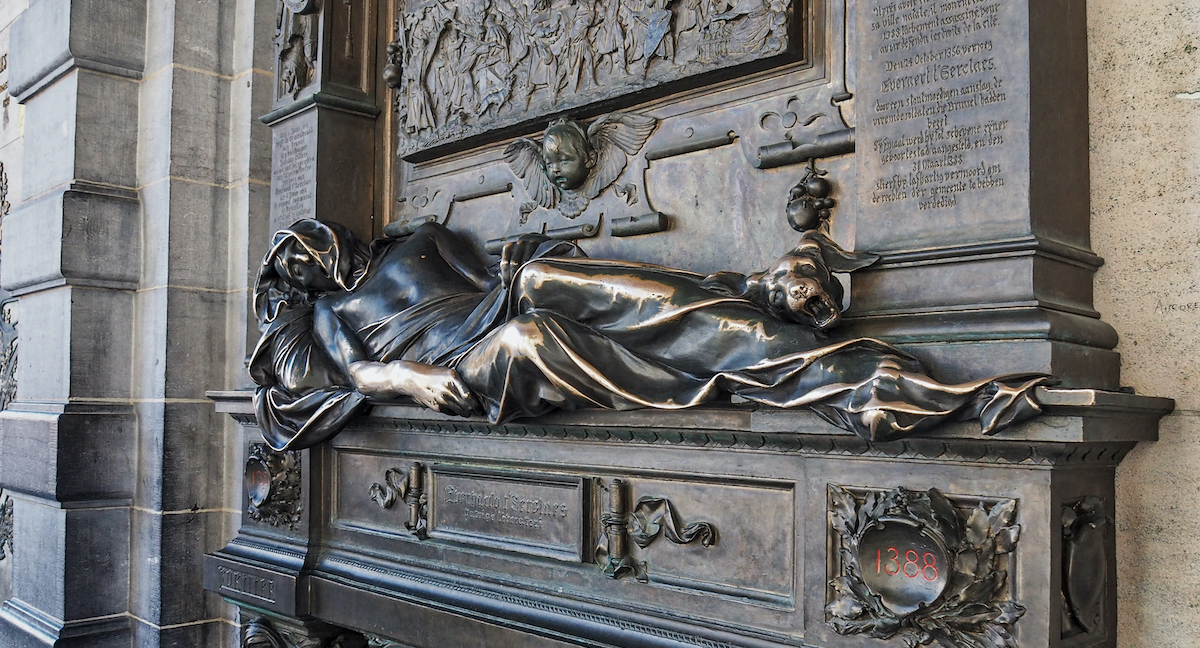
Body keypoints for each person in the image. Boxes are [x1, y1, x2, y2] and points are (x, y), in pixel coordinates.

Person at [250, 219, 1046, 450]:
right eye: (296, 257)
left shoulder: (417, 238)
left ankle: (762, 300)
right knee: (532, 340)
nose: (310, 250)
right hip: (464, 363)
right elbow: (353, 374)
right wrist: (411, 380)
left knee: (551, 283)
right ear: (297, 280)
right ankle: (840, 378)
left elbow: (488, 263)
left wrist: (519, 264)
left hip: (498, 294)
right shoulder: (323, 320)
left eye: (309, 237)